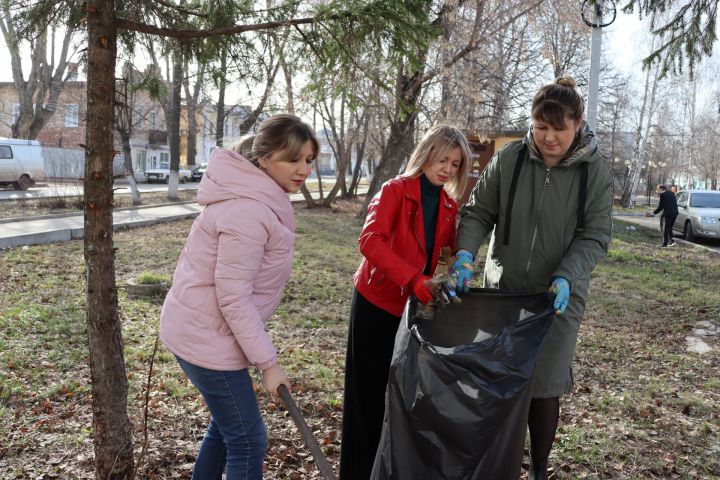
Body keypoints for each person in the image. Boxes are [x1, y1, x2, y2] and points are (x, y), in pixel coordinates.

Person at [451, 75, 613, 480]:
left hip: (556, 297)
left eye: (558, 129)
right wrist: (466, 253)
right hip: (503, 292)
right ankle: (494, 463)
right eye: (541, 128)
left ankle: (539, 469)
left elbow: (594, 235)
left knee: (543, 387)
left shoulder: (594, 173)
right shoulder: (511, 160)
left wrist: (566, 276)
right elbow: (478, 211)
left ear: (577, 124)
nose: (548, 138)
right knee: (497, 380)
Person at [159, 114, 318, 479]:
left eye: (308, 160)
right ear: (263, 159)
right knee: (248, 439)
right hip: (206, 339)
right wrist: (268, 363)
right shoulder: (249, 209)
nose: (303, 170)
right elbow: (233, 297)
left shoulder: (260, 198)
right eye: (292, 159)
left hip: (204, 330)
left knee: (227, 427)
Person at [339, 124, 472, 480]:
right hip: (376, 303)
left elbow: (441, 256)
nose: (447, 168)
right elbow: (370, 240)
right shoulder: (395, 190)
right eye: (442, 158)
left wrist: (456, 269)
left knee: (400, 400)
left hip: (412, 313)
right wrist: (413, 279)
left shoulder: (447, 206)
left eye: (456, 163)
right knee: (364, 397)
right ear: (426, 153)